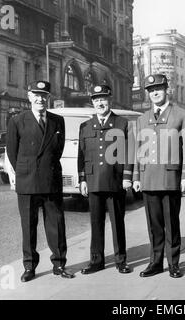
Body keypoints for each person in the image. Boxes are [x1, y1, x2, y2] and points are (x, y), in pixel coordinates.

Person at [7, 81, 74, 282]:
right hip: (27, 181)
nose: (40, 99)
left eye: (44, 95)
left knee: (56, 223)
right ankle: (29, 266)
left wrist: (46, 166)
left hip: (50, 179)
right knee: (28, 226)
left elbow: (58, 149)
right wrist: (27, 169)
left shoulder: (57, 120)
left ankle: (59, 263)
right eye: (36, 95)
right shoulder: (17, 120)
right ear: (29, 97)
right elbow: (12, 153)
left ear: (48, 98)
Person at [133, 74, 185, 278]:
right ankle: (155, 262)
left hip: (170, 178)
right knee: (154, 225)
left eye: (158, 88)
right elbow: (137, 150)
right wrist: (136, 177)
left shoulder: (181, 115)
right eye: (151, 90)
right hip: (148, 178)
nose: (154, 93)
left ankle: (173, 263)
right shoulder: (142, 119)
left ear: (167, 89)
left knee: (171, 223)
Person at [78, 83, 133, 275]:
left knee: (118, 222)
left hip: (114, 180)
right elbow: (81, 155)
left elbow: (128, 153)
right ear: (92, 102)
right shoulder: (85, 126)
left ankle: (120, 260)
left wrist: (127, 177)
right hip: (93, 181)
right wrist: (82, 179)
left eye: (103, 99)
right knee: (95, 222)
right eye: (96, 100)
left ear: (110, 100)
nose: (100, 103)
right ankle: (97, 260)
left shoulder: (122, 123)